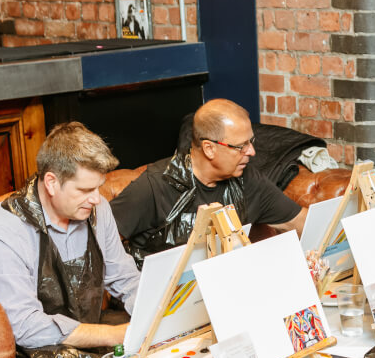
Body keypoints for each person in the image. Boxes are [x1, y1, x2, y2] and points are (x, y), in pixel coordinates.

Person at [0, 122, 140, 358]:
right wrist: (116, 335)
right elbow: (24, 327)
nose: (97, 199)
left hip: (86, 340)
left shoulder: (98, 211)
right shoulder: (3, 228)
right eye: (85, 190)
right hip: (24, 354)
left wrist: (153, 318)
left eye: (99, 187)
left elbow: (124, 278)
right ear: (51, 182)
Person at [111, 98, 308, 266]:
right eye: (241, 146)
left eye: (251, 142)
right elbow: (99, 238)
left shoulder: (248, 180)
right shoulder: (154, 186)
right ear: (209, 148)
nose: (251, 152)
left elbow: (300, 223)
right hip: (164, 300)